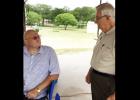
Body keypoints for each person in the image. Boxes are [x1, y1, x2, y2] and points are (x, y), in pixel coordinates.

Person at [85, 3, 115, 100]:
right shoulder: (103, 33)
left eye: (97, 18)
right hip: (97, 79)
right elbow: (99, 56)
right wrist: (91, 70)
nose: (95, 21)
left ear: (108, 17)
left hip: (109, 83)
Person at [24, 29, 60, 100]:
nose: (38, 39)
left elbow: (55, 75)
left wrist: (37, 90)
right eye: (35, 37)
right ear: (26, 41)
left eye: (39, 36)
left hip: (37, 96)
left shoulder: (49, 52)